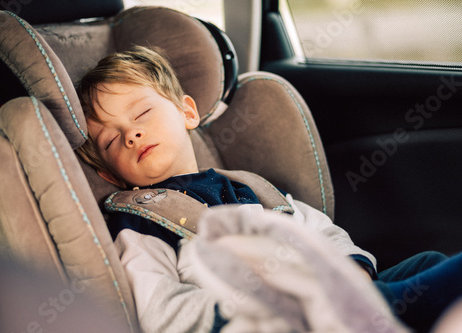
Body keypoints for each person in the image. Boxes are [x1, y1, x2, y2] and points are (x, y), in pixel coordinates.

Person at [75, 46, 462, 333]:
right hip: (278, 319)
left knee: (426, 261)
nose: (132, 134)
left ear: (187, 112)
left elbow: (317, 228)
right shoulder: (140, 221)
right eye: (111, 141)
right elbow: (159, 309)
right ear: (111, 176)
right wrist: (245, 313)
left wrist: (350, 267)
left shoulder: (245, 185)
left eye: (142, 113)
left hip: (327, 293)